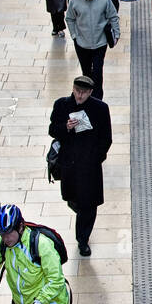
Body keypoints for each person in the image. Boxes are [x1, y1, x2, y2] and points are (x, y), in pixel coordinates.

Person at [49, 77, 113, 258]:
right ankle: (81, 217)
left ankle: (83, 239)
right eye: (77, 91)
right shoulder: (61, 105)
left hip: (89, 166)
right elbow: (52, 129)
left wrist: (96, 158)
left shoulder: (100, 109)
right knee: (73, 200)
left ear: (91, 92)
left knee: (89, 205)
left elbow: (106, 138)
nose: (80, 95)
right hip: (69, 164)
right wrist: (65, 127)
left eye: (84, 92)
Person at [65, 0, 119, 100]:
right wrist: (74, 35)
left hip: (100, 43)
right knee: (86, 73)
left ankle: (98, 99)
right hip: (82, 44)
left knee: (98, 72)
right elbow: (69, 18)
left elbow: (113, 16)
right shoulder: (75, 0)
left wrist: (117, 34)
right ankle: (87, 97)